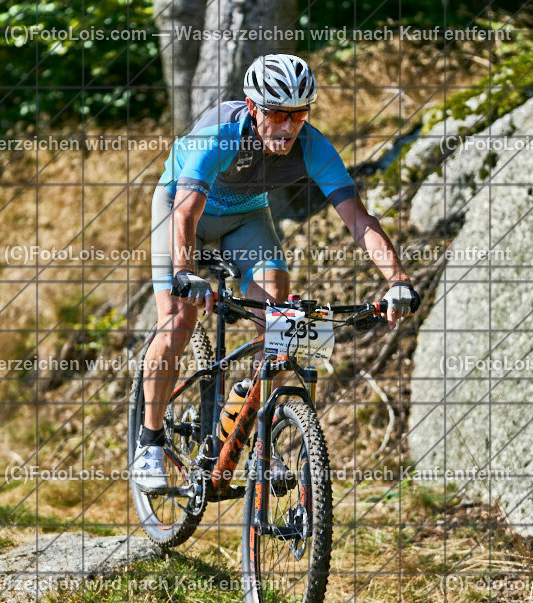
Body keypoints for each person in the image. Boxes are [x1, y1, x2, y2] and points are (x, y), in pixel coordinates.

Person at [132, 54, 420, 492]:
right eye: (277, 115)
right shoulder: (220, 132)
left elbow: (359, 221)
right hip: (180, 208)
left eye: (298, 115)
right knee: (178, 320)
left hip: (246, 216)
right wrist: (186, 272)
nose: (287, 127)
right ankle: (149, 442)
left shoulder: (313, 147)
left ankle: (258, 440)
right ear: (252, 107)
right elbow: (186, 214)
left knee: (282, 323)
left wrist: (397, 280)